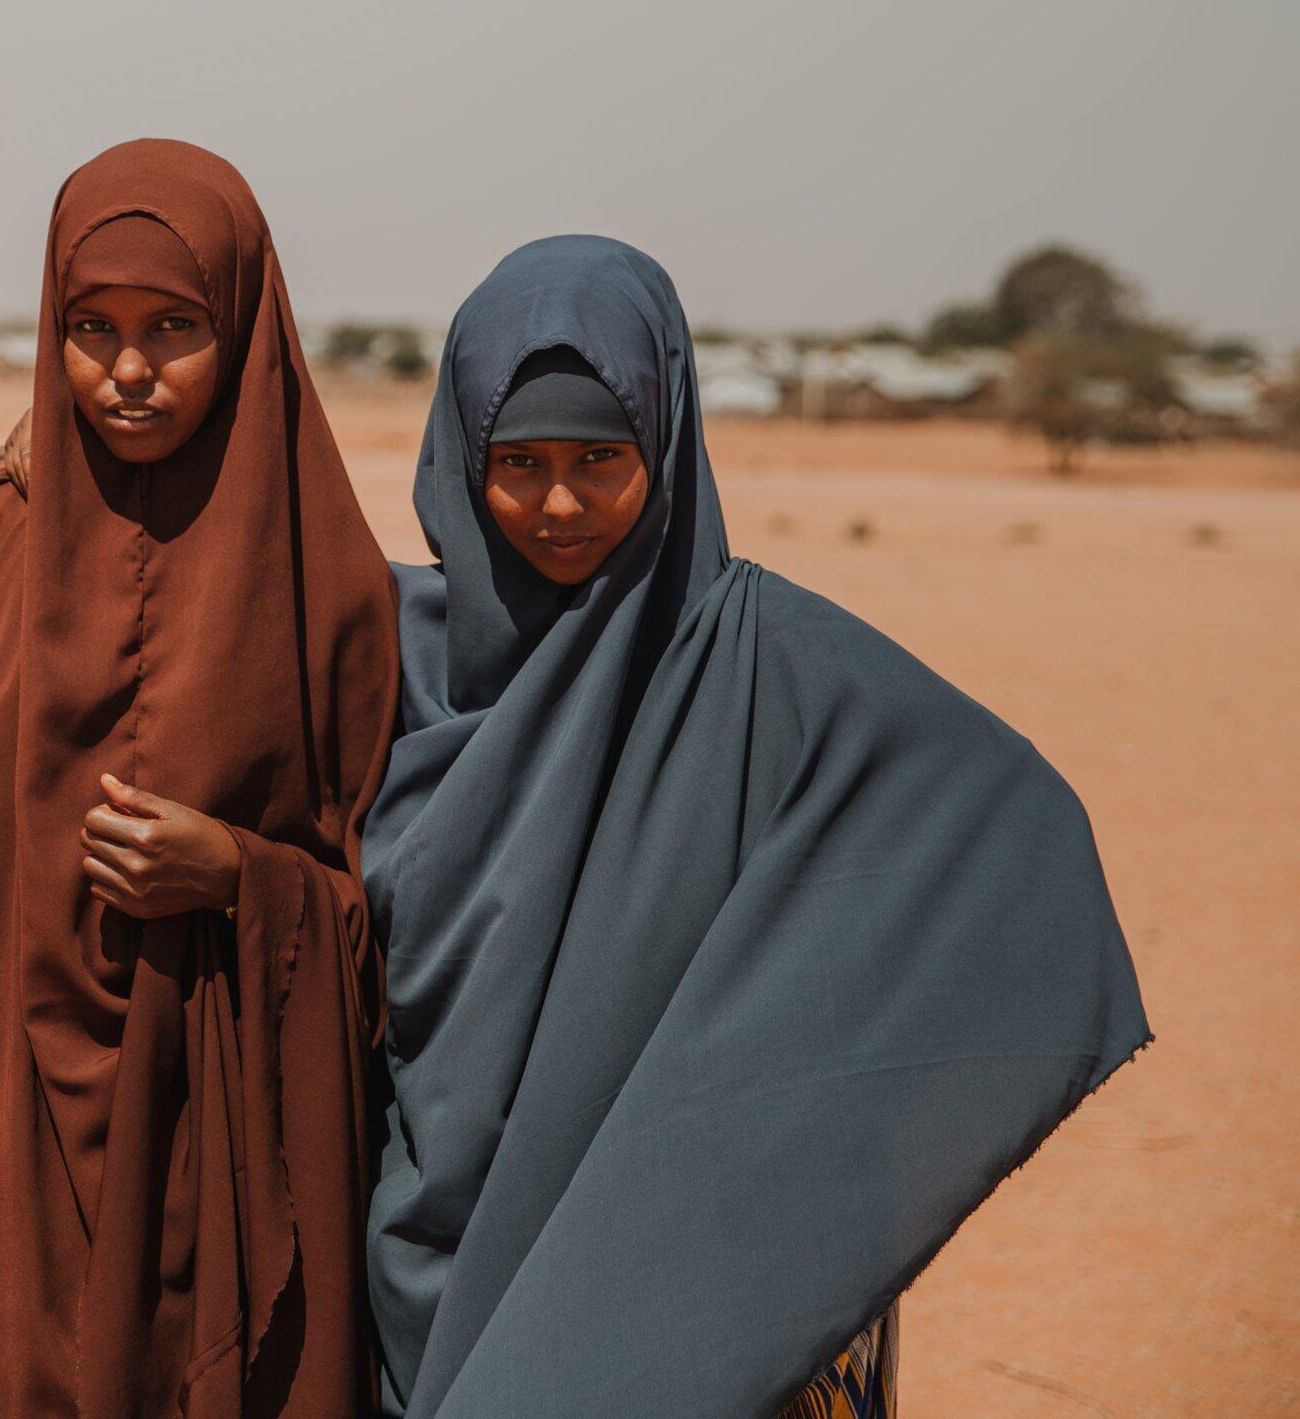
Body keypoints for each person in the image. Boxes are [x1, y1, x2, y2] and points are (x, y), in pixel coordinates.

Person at [362, 235, 1150, 1418]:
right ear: (457, 456)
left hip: (666, 1277)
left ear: (668, 447)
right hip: (414, 1250)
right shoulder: (388, 657)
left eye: (602, 457)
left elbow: (999, 827)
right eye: (516, 461)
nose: (561, 502)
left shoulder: (763, 661)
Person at [0, 138, 401, 1419]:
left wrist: (241, 876)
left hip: (223, 1179)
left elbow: (396, 933)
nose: (130, 369)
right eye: (89, 327)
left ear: (250, 325)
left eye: (175, 325)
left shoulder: (333, 590)